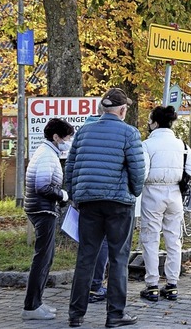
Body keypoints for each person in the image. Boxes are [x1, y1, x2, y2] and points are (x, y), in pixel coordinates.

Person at [65, 88, 145, 328]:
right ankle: (115, 315)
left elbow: (70, 165)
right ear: (122, 110)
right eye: (126, 108)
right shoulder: (129, 133)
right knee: (118, 257)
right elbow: (137, 170)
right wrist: (134, 191)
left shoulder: (83, 132)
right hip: (118, 203)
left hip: (89, 202)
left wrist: (75, 194)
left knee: (86, 257)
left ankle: (76, 314)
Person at [139, 106, 191, 301]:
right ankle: (172, 284)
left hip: (152, 193)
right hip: (175, 194)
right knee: (174, 239)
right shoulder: (181, 145)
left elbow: (142, 172)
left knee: (150, 239)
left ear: (155, 123)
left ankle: (152, 285)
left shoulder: (147, 145)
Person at [21, 118, 74, 321]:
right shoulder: (46, 155)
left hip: (42, 210)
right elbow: (43, 186)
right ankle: (31, 306)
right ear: (55, 137)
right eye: (67, 137)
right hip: (43, 211)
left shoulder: (48, 152)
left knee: (46, 257)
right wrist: (63, 195)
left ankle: (37, 302)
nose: (68, 142)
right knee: (42, 258)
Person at [83, 106, 108, 304]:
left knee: (88, 244)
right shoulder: (122, 132)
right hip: (110, 197)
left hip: (86, 197)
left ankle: (84, 287)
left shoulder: (83, 131)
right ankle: (96, 286)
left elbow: (73, 163)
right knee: (106, 244)